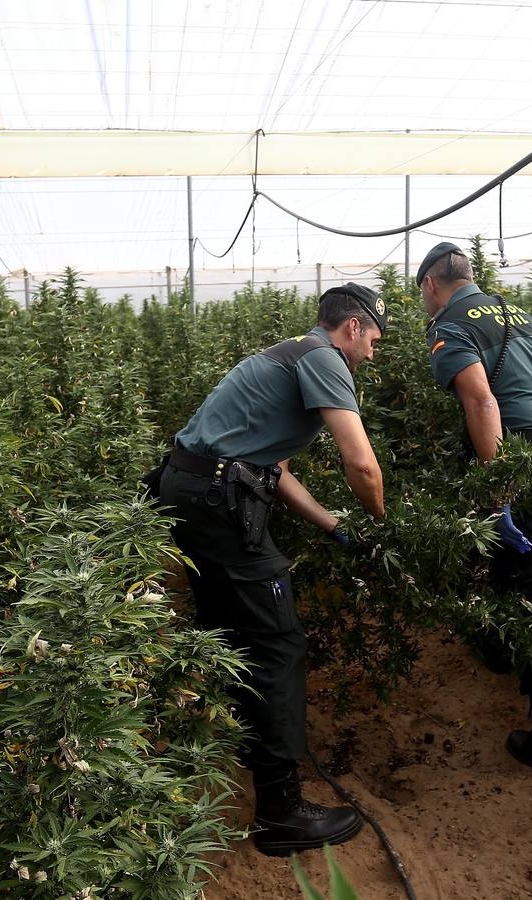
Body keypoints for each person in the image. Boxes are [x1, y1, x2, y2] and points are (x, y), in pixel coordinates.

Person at [156, 283, 387, 855]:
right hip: (215, 501)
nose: (372, 355)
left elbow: (274, 471)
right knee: (279, 643)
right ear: (352, 327)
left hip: (188, 490)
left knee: (230, 629)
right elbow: (362, 463)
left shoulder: (286, 355)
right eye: (374, 340)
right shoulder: (326, 360)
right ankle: (281, 812)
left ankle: (238, 741)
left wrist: (335, 526)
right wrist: (382, 525)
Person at [417, 241, 532, 779]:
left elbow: (482, 401)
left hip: (524, 460)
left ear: (430, 285)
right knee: (514, 570)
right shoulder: (518, 312)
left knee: (529, 592)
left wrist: (500, 486)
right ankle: (497, 647)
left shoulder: (451, 323)